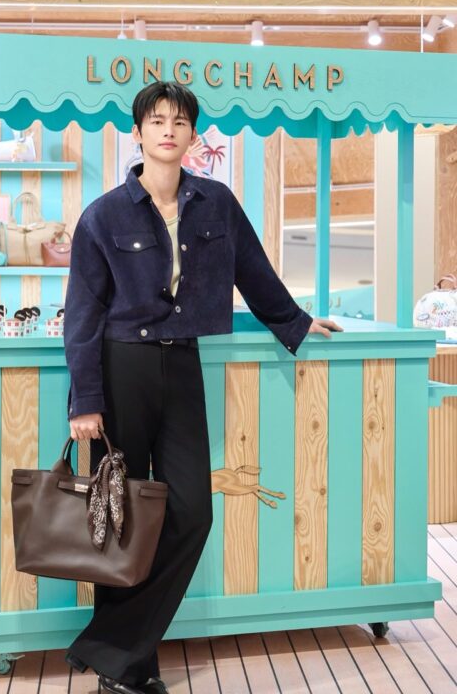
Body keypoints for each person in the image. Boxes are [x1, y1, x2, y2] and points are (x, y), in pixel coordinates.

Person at [63, 81, 343, 694]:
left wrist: (295, 322)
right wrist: (85, 400)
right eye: (156, 120)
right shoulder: (103, 215)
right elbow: (82, 313)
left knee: (192, 511)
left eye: (179, 121)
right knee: (123, 518)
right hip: (122, 365)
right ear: (137, 133)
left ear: (193, 135)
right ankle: (130, 668)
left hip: (183, 363)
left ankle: (110, 649)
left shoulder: (215, 202)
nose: (168, 130)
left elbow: (254, 272)